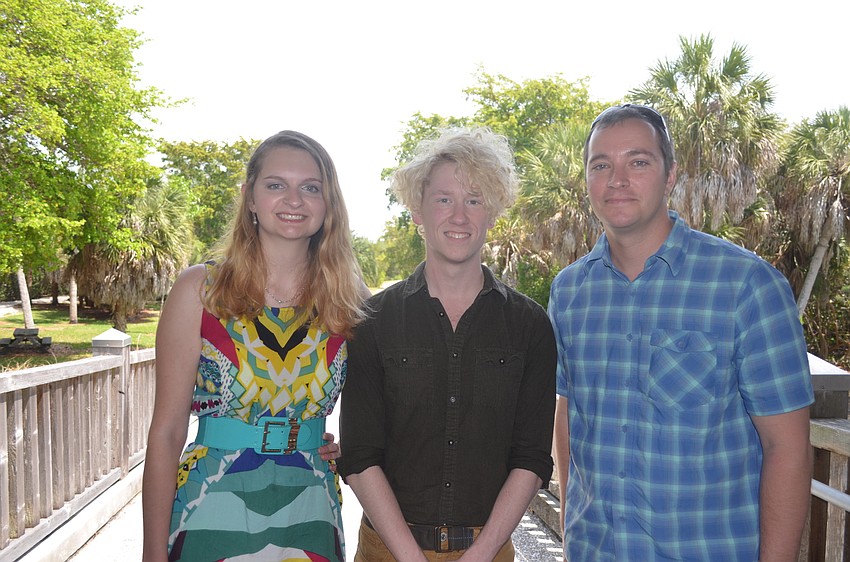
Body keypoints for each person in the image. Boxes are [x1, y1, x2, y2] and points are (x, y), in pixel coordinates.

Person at [549, 104, 815, 561]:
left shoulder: (746, 286)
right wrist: (572, 537)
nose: (617, 179)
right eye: (601, 165)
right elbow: (569, 415)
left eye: (638, 161)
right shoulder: (569, 292)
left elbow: (787, 447)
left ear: (670, 175)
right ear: (588, 180)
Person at [142, 130, 367, 562]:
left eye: (311, 188)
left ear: (328, 204)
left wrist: (348, 445)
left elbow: (376, 409)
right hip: (209, 504)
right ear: (250, 198)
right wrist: (154, 555)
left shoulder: (348, 300)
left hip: (312, 507)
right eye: (276, 185)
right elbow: (166, 433)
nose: (294, 200)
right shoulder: (200, 291)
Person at [338, 127, 556, 561]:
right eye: (444, 199)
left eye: (474, 200)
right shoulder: (373, 322)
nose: (459, 216)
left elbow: (531, 458)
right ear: (417, 211)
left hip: (489, 552)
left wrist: (482, 552)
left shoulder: (530, 325)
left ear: (492, 212)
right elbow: (360, 456)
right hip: (386, 551)